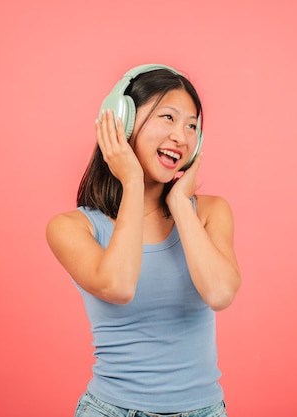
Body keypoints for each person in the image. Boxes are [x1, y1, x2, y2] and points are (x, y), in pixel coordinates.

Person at [46, 64, 241, 417]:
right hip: (110, 410)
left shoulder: (211, 212)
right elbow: (118, 286)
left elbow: (220, 294)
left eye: (192, 125)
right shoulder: (72, 228)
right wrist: (132, 182)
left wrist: (181, 203)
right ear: (123, 122)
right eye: (168, 117)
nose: (182, 136)